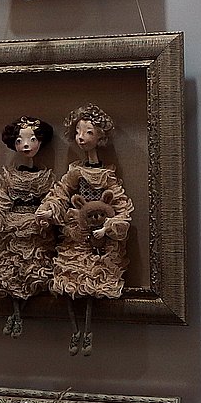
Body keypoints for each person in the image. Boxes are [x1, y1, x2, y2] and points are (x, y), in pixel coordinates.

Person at [38, 104, 131, 356]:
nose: (81, 137)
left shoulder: (107, 174)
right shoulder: (75, 172)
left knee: (92, 285)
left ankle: (87, 330)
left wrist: (112, 225)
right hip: (75, 234)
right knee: (69, 280)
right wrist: (50, 209)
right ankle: (74, 330)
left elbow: (120, 203)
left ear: (100, 136)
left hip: (99, 239)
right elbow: (60, 193)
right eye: (78, 132)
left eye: (88, 132)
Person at [0, 116, 56, 338]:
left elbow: (53, 198)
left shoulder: (46, 178)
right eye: (20, 141)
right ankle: (14, 313)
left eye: (32, 140)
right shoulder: (9, 177)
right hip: (12, 229)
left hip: (36, 229)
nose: (26, 145)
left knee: (33, 269)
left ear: (40, 142)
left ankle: (19, 313)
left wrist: (49, 212)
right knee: (9, 269)